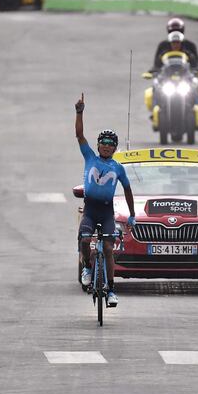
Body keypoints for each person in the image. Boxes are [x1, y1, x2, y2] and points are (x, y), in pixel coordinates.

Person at [74, 93, 135, 307]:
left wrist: (132, 215)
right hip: (90, 210)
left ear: (115, 147)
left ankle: (111, 290)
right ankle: (87, 268)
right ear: (99, 145)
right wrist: (79, 112)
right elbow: (79, 135)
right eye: (103, 143)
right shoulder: (90, 157)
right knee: (84, 240)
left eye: (111, 144)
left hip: (107, 212)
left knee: (109, 249)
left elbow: (128, 190)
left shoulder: (118, 168)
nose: (107, 147)